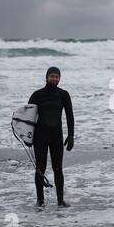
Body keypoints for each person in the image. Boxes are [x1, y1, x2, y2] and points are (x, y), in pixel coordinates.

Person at [28, 67, 74, 207]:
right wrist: (27, 137)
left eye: (57, 77)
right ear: (46, 77)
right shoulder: (37, 95)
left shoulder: (64, 95)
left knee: (58, 168)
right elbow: (28, 116)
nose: (54, 79)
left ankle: (60, 200)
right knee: (40, 168)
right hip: (40, 137)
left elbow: (70, 116)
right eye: (52, 76)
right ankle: (40, 200)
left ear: (60, 78)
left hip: (56, 137)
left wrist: (71, 135)